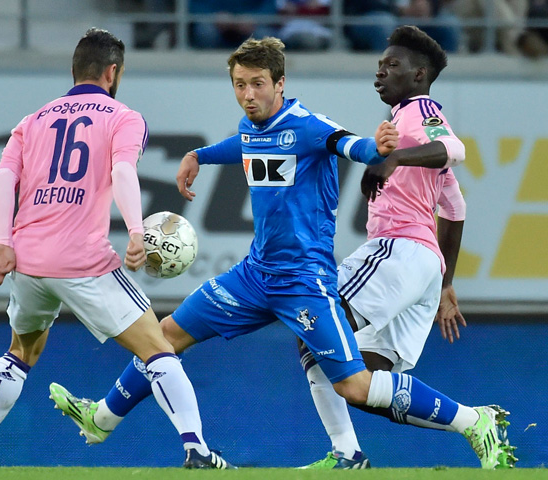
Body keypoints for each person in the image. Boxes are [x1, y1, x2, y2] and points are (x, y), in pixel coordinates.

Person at [50, 36, 511, 470]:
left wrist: (379, 152)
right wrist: (200, 155)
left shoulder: (308, 126)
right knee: (164, 335)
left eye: (257, 84)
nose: (248, 94)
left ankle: (472, 421)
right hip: (254, 276)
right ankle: (102, 419)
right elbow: (248, 145)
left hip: (304, 283)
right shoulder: (253, 128)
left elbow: (347, 143)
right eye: (239, 85)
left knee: (354, 384)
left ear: (279, 84)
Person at [0, 28, 233, 470]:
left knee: (20, 353)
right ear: (113, 71)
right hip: (82, 261)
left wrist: (2, 242)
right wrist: (138, 232)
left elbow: (4, 178)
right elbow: (123, 171)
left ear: (74, 71)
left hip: (28, 260)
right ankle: (196, 448)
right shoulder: (124, 117)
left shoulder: (32, 120)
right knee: (158, 347)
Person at [297, 25, 514, 470]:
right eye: (379, 64)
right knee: (358, 381)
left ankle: (346, 453)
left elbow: (453, 147)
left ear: (418, 75)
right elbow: (455, 207)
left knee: (314, 323)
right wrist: (447, 283)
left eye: (392, 65)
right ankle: (474, 421)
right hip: (423, 268)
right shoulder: (407, 132)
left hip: (397, 252)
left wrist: (390, 159)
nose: (380, 71)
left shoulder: (420, 110)